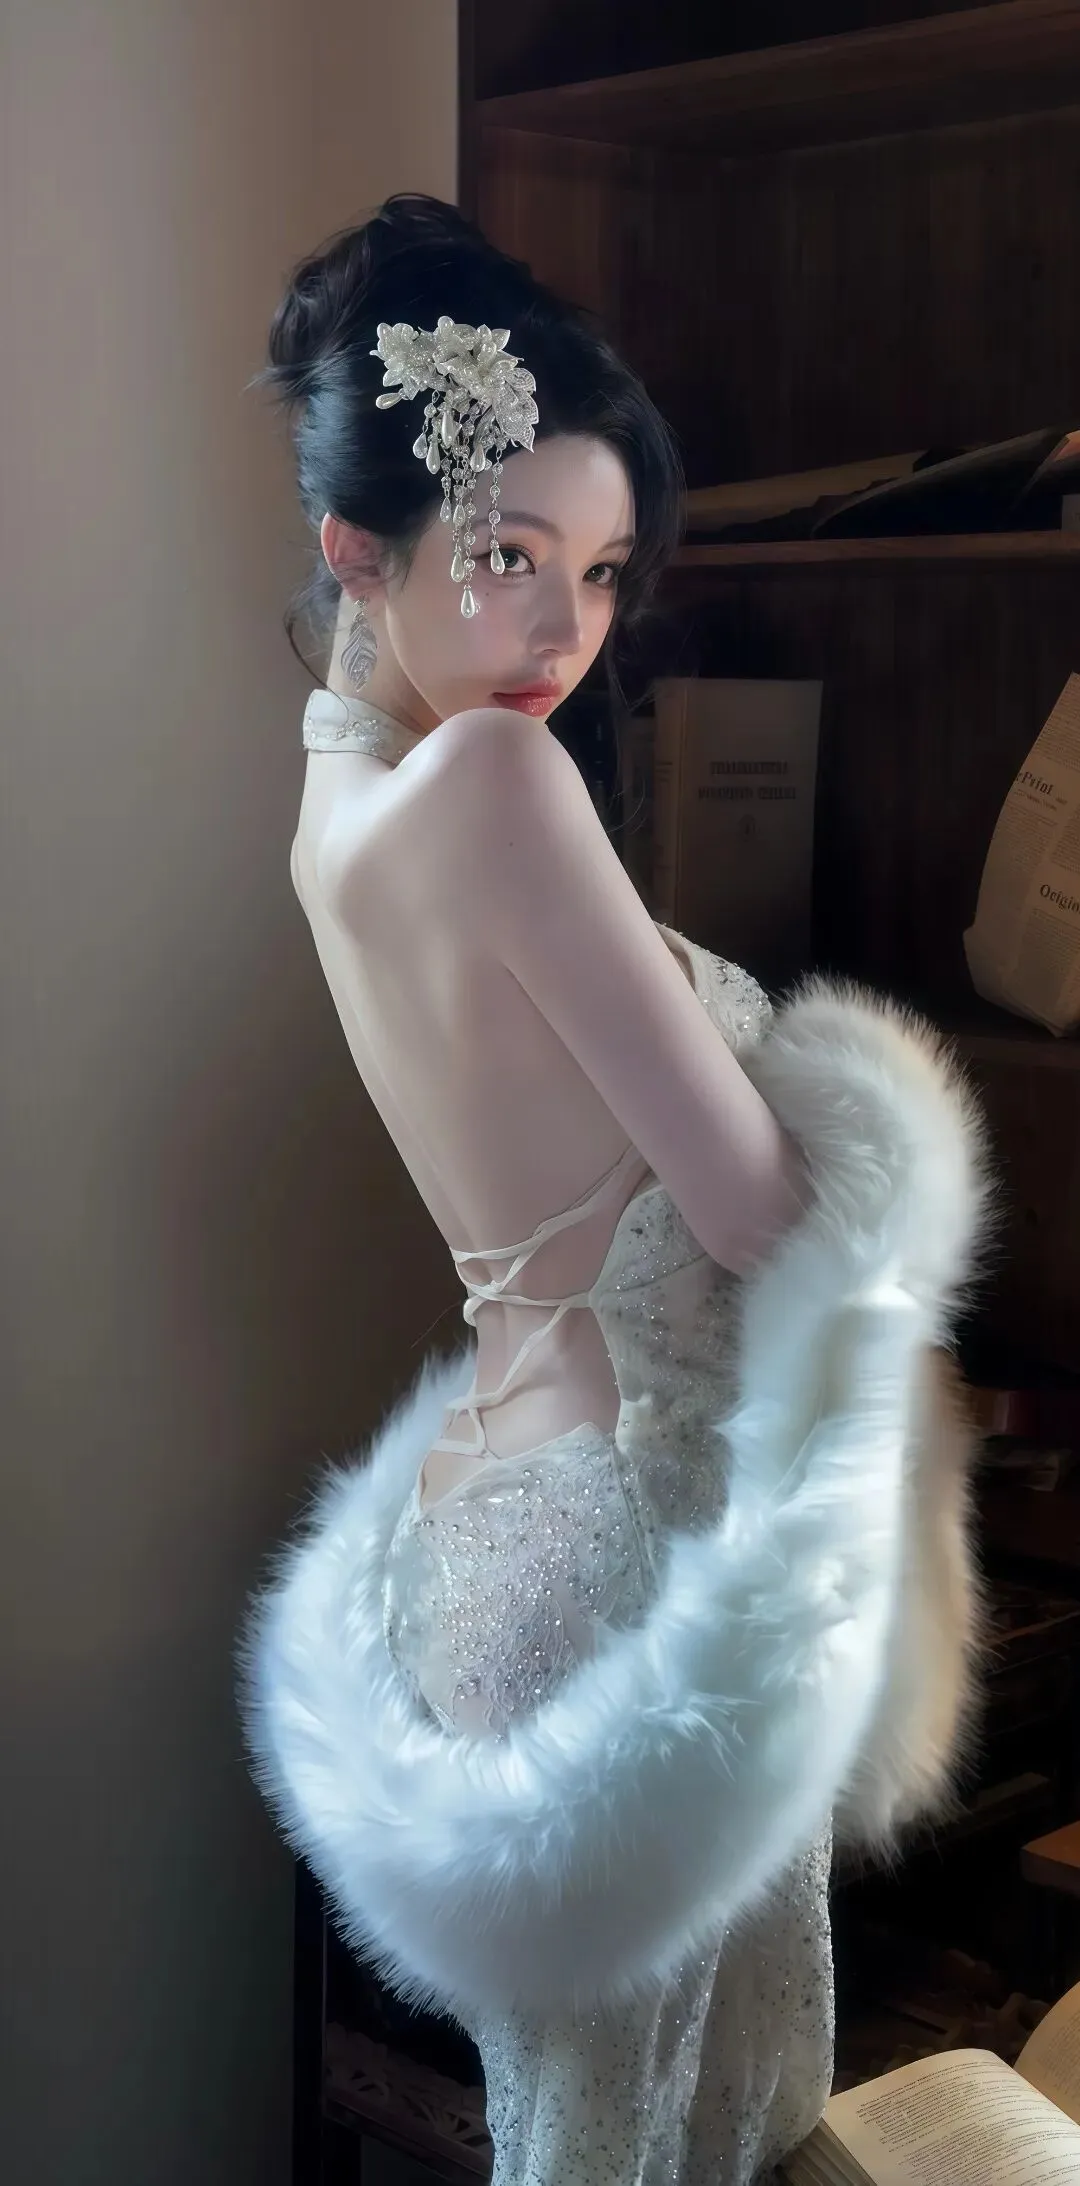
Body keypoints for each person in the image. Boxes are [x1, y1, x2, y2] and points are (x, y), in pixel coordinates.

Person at [242, 193, 992, 2185]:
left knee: (588, 2135)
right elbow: (757, 1217)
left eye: (596, 574)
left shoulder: (338, 805)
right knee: (682, 2136)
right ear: (355, 546)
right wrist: (877, 1138)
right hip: (628, 1560)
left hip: (486, 1540)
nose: (562, 636)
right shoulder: (500, 785)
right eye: (505, 558)